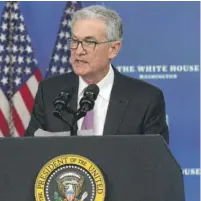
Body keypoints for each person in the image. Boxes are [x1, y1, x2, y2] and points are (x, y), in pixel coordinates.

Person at [24, 5, 169, 144]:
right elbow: (30, 152)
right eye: (75, 41)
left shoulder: (146, 100)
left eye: (89, 42)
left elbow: (154, 164)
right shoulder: (50, 91)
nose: (78, 51)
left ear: (113, 49)